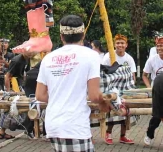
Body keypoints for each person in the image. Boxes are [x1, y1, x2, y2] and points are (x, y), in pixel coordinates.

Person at [36, 15, 110, 152]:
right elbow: (94, 95)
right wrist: (104, 104)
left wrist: (60, 97)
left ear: (61, 36)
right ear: (83, 34)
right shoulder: (91, 55)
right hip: (74, 125)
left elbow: (40, 95)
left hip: (53, 124)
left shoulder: (48, 58)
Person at [101, 34, 136, 145]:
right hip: (111, 88)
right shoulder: (108, 56)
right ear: (114, 45)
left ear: (126, 45)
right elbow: (103, 74)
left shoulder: (129, 58)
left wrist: (131, 89)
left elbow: (132, 75)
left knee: (126, 108)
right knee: (113, 109)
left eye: (122, 43)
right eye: (118, 43)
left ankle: (123, 136)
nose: (120, 45)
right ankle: (108, 133)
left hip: (125, 88)